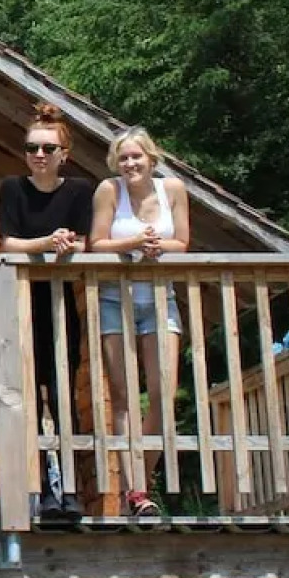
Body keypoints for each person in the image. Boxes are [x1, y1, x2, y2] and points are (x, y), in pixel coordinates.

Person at [0, 102, 93, 523]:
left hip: (59, 309)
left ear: (63, 155)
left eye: (47, 149)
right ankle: (38, 490)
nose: (38, 155)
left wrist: (67, 246)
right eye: (31, 147)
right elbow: (7, 243)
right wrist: (46, 244)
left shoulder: (79, 192)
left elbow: (87, 244)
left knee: (62, 398)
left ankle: (69, 489)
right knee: (24, 402)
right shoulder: (13, 189)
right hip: (18, 308)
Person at [88, 125, 189, 519]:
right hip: (116, 299)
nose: (130, 163)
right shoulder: (108, 191)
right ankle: (137, 494)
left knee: (164, 393)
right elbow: (96, 243)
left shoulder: (174, 190)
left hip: (161, 299)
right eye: (124, 158)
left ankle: (139, 484)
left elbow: (182, 242)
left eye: (137, 157)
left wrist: (156, 247)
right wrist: (131, 244)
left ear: (152, 159)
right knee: (125, 394)